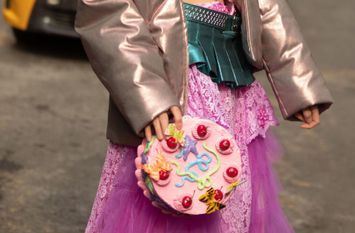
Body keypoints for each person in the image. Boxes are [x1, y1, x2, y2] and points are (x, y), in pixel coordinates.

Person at [74, 0, 333, 232]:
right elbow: (108, 13)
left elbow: (267, 8)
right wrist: (148, 95)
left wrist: (299, 82)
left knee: (224, 190)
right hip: (171, 84)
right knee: (176, 191)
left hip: (232, 93)